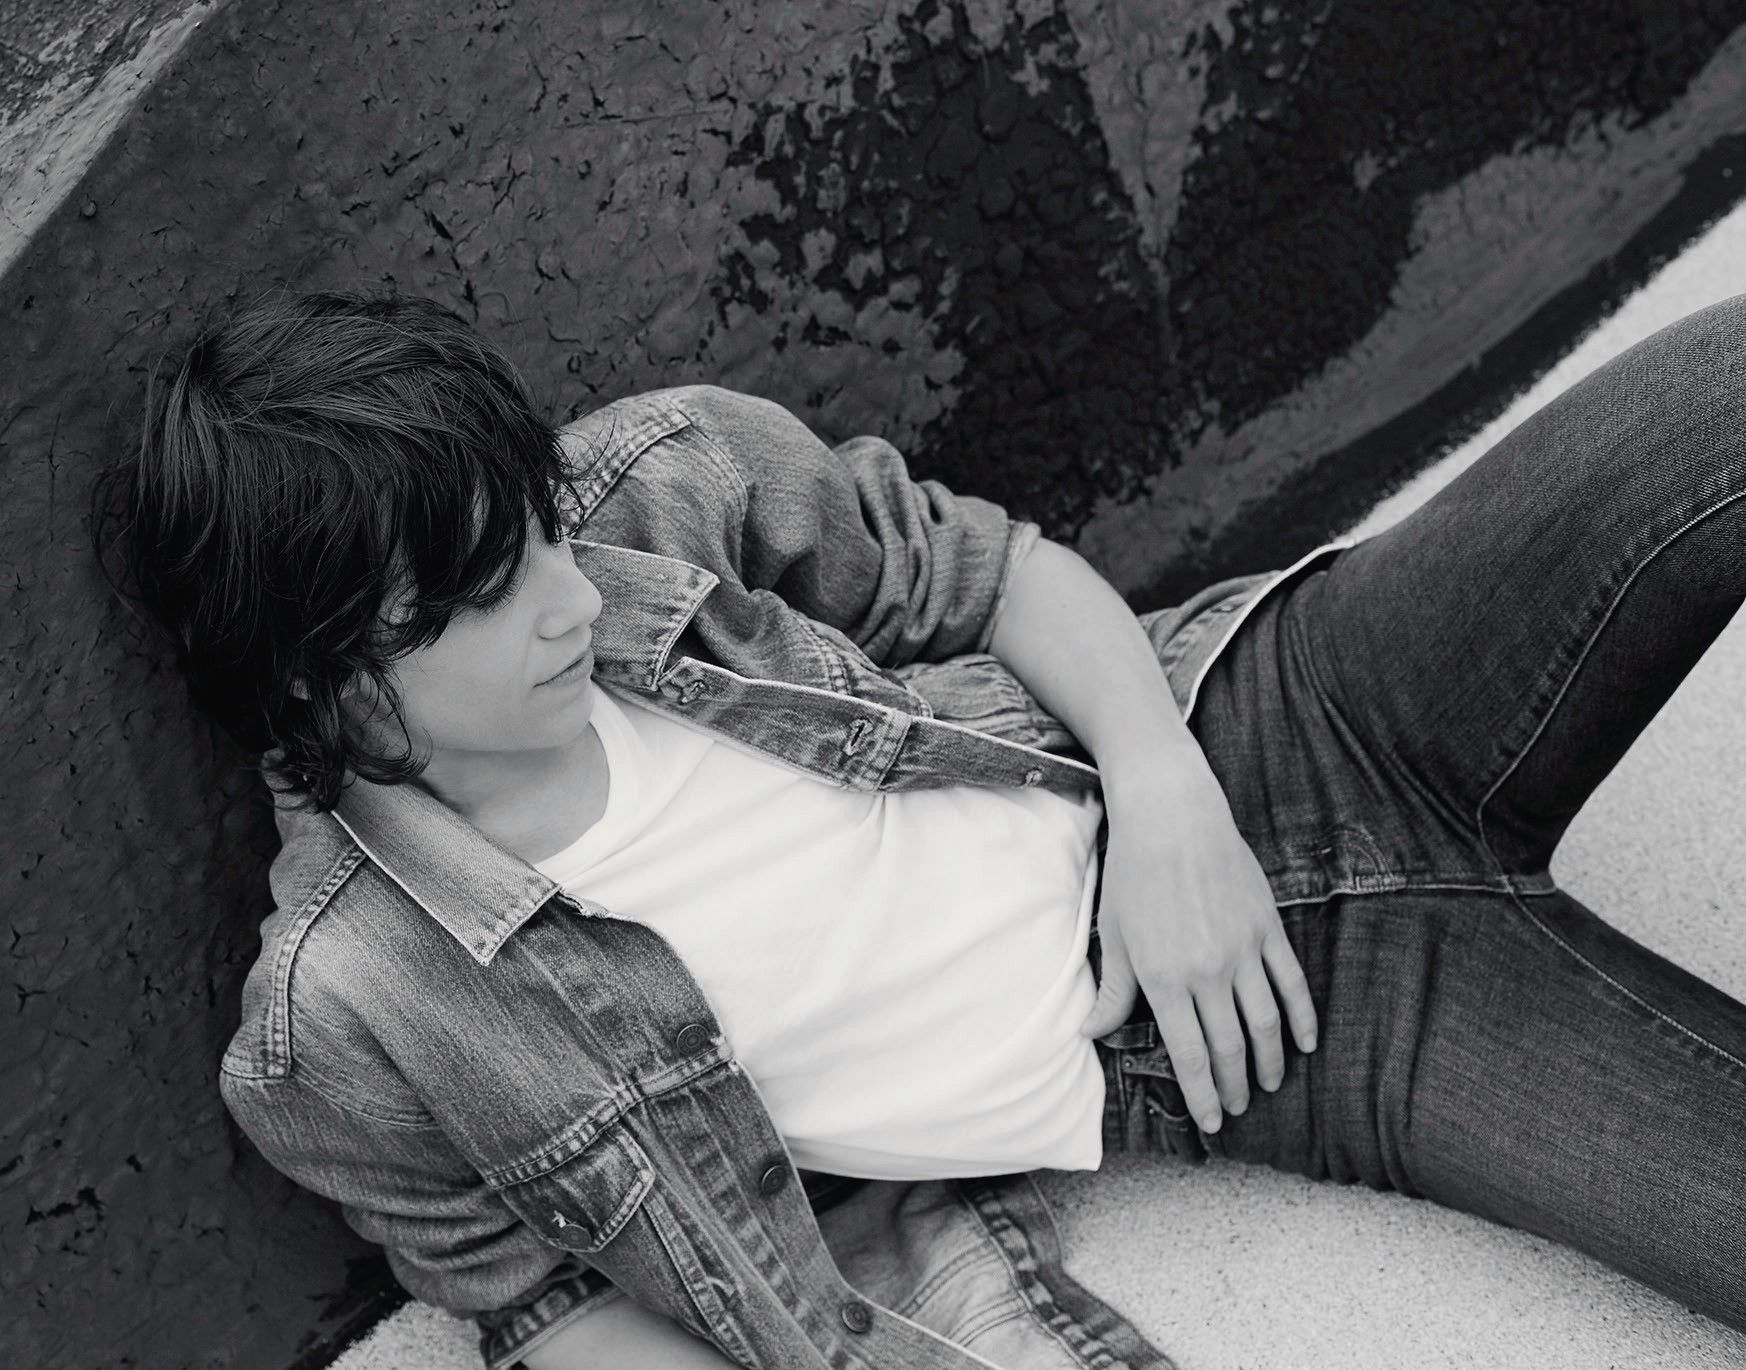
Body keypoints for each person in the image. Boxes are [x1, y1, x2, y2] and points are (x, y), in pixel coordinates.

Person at [96, 289, 1746, 1368]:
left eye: (532, 526)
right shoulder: (348, 1015)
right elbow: (537, 1302)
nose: (563, 593)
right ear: (325, 676)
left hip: (1266, 712)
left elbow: (994, 571)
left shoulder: (662, 485)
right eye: (481, 592)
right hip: (1276, 1044)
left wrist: (1164, 791)